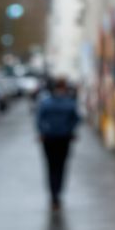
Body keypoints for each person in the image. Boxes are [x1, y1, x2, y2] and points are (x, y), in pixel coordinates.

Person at [37, 77, 81, 210]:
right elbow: (77, 118)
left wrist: (43, 131)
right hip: (64, 138)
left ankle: (53, 195)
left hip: (49, 138)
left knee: (51, 167)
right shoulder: (69, 102)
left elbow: (39, 119)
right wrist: (69, 129)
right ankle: (58, 193)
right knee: (61, 167)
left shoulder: (46, 102)